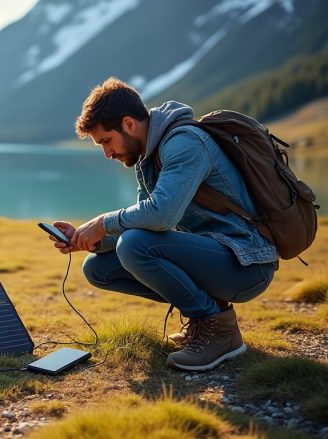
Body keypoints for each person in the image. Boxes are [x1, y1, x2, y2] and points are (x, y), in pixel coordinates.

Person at [49, 78, 278, 372]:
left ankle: (219, 331)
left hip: (247, 263)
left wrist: (103, 223)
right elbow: (142, 222)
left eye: (106, 141)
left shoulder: (185, 143)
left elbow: (161, 216)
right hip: (214, 255)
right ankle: (203, 320)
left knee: (133, 246)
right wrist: (86, 238)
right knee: (97, 268)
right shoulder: (148, 157)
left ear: (129, 124)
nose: (107, 153)